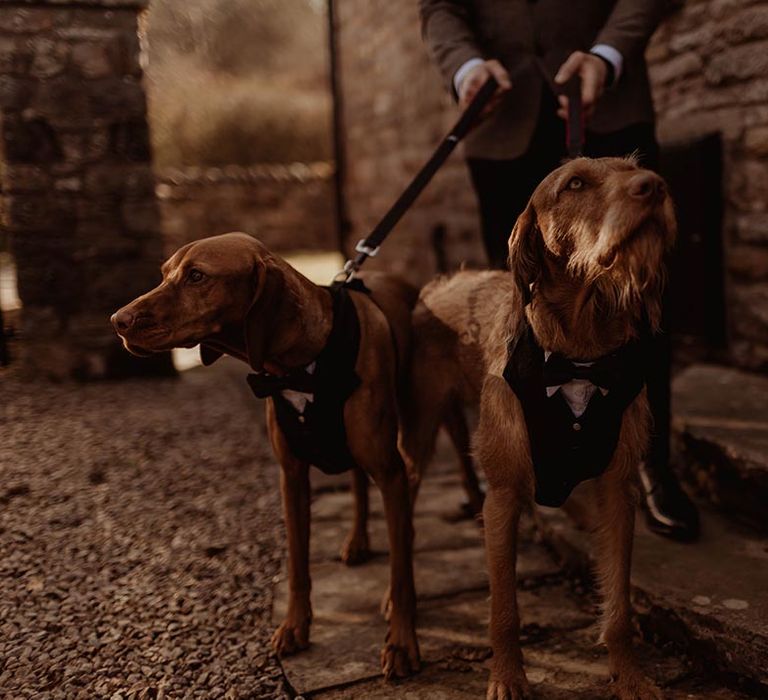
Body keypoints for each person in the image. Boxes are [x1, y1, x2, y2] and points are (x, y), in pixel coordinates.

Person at [419, 0, 700, 541]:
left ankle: (649, 462)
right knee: (523, 302)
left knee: (638, 294)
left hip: (608, 102)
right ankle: (536, 458)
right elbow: (439, 9)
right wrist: (464, 67)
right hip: (500, 122)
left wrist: (607, 53)